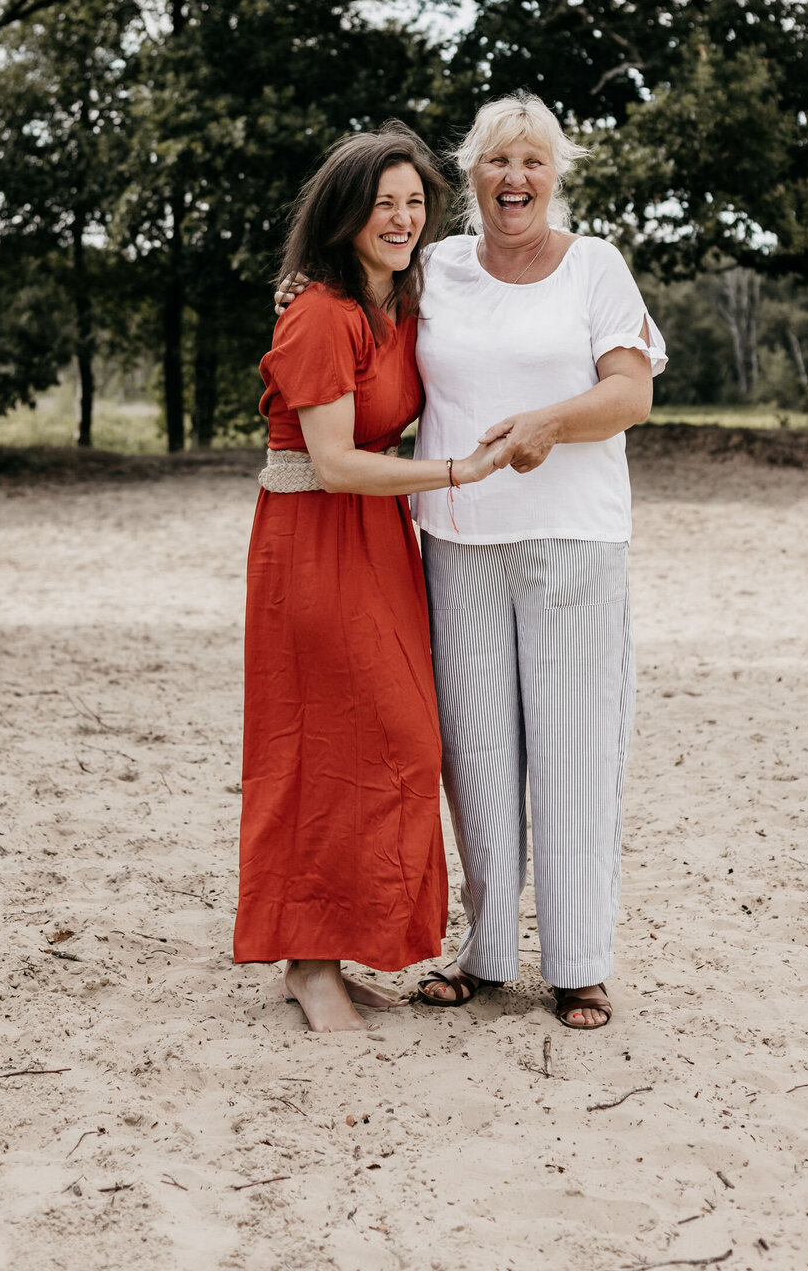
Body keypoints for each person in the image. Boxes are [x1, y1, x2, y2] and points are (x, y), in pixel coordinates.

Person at [279, 94, 667, 1031]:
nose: (514, 179)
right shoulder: (441, 267)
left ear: (556, 174)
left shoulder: (595, 268)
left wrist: (549, 424)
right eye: (497, 162)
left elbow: (633, 393)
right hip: (454, 541)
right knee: (478, 756)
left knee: (574, 749)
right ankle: (489, 953)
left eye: (533, 161)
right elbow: (357, 299)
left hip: (573, 537)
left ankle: (577, 963)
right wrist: (296, 288)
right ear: (475, 174)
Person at [234, 125, 502, 1034]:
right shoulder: (321, 313)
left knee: (391, 747)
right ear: (345, 212)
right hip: (316, 538)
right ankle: (307, 963)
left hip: (379, 540)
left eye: (415, 202)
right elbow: (339, 462)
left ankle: (332, 949)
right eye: (383, 202)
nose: (401, 217)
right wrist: (462, 472)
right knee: (327, 744)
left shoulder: (399, 303)